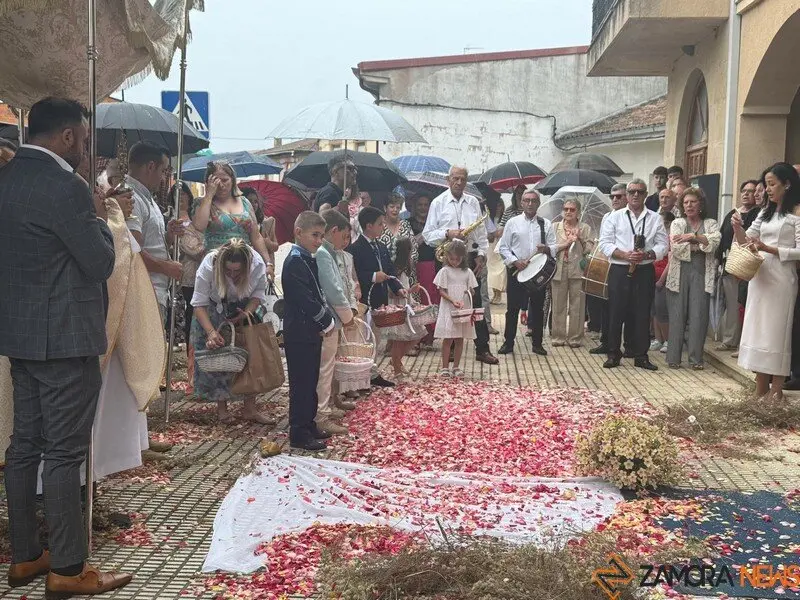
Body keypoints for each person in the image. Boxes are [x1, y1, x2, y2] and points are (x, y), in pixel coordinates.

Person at [0, 96, 131, 595]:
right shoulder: (66, 187)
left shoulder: (6, 179)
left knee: (24, 446)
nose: (87, 146)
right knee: (62, 454)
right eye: (86, 137)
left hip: (20, 335)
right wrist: (99, 217)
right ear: (69, 136)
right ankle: (69, 570)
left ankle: (26, 557)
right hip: (66, 340)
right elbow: (99, 262)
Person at [733, 162, 800, 401]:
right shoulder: (765, 212)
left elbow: (799, 251)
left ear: (787, 184)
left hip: (782, 276)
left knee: (776, 331)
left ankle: (776, 389)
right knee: (756, 329)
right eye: (766, 185)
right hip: (760, 276)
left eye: (772, 184)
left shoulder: (797, 212)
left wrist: (769, 248)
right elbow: (747, 241)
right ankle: (759, 387)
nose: (767, 190)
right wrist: (738, 227)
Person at [190, 239, 273, 425]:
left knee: (250, 358)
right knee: (220, 356)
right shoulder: (209, 264)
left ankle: (250, 408)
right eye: (228, 271)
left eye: (237, 271)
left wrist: (247, 314)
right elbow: (198, 303)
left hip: (242, 308)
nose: (233, 274)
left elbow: (257, 295)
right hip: (214, 309)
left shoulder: (257, 264)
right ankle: (222, 408)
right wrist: (211, 332)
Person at [423, 166, 499, 365]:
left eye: (462, 179)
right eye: (455, 179)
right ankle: (451, 348)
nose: (459, 183)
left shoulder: (474, 202)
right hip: (446, 257)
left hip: (470, 256)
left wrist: (482, 255)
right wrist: (448, 233)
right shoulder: (438, 202)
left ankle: (482, 348)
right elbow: (427, 235)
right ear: (448, 180)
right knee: (449, 303)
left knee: (475, 303)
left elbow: (481, 235)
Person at [598, 178, 669, 370]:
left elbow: (664, 244)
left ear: (646, 194)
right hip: (620, 269)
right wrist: (624, 254)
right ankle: (613, 354)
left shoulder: (655, 218)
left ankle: (641, 355)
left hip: (644, 269)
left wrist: (647, 254)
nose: (635, 195)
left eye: (640, 191)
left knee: (642, 313)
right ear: (627, 195)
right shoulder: (614, 217)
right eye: (632, 192)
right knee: (615, 312)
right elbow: (604, 243)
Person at [282, 211, 336, 450]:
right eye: (314, 235)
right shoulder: (294, 260)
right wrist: (326, 320)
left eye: (322, 236)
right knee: (301, 382)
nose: (318, 241)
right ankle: (298, 431)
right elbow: (304, 298)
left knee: (311, 379)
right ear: (298, 232)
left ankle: (309, 421)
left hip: (309, 330)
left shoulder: (306, 257)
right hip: (299, 331)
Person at [126, 142, 184, 325]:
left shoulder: (147, 197)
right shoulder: (130, 198)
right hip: (143, 292)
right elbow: (131, 251)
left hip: (155, 291)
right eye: (163, 171)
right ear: (151, 167)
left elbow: (151, 243)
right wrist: (166, 267)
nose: (162, 178)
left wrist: (169, 235)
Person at [348, 206, 405, 386]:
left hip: (380, 300)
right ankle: (362, 376)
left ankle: (372, 373)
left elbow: (388, 271)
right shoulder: (355, 248)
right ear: (368, 226)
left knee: (376, 338)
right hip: (364, 300)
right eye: (380, 224)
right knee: (363, 338)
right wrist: (373, 276)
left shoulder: (381, 246)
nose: (383, 227)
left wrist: (397, 288)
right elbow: (354, 273)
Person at [497, 189, 558, 356]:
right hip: (517, 271)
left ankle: (537, 344)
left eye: (533, 200)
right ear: (521, 203)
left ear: (538, 203)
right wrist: (515, 262)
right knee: (513, 309)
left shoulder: (545, 224)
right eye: (527, 200)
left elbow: (554, 247)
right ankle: (508, 343)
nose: (530, 203)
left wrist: (546, 248)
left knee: (538, 309)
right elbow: (503, 247)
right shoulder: (512, 222)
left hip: (537, 273)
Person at [665, 188, 721, 369]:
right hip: (679, 272)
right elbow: (677, 249)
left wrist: (693, 237)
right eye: (686, 202)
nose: (689, 205)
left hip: (702, 273)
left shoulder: (711, 222)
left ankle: (696, 360)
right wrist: (700, 243)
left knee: (699, 315)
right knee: (677, 315)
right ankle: (673, 358)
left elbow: (715, 243)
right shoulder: (678, 223)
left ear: (701, 204)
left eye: (693, 202)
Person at [315, 210, 357, 435]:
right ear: (334, 231)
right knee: (325, 369)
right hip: (328, 319)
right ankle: (321, 416)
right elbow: (333, 290)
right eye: (344, 236)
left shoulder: (333, 252)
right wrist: (348, 316)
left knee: (328, 367)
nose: (346, 241)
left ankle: (327, 407)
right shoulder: (323, 253)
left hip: (333, 318)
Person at [192, 162, 274, 275]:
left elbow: (256, 236)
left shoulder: (245, 202)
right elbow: (199, 226)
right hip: (216, 266)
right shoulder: (203, 203)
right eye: (216, 181)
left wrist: (268, 263)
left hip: (244, 265)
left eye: (225, 180)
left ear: (233, 180)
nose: (221, 185)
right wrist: (209, 195)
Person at [715, 180, 759, 352]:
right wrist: (719, 260)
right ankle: (729, 339)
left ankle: (743, 343)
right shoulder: (732, 213)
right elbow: (722, 237)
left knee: (744, 304)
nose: (747, 194)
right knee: (732, 303)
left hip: (748, 266)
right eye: (744, 190)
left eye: (751, 191)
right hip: (730, 264)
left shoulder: (758, 214)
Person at [589, 183, 629, 355]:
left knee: (626, 308)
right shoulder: (607, 216)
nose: (615, 199)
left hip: (626, 265)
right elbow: (603, 241)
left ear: (627, 197)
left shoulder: (631, 216)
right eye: (612, 196)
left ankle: (628, 345)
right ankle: (606, 342)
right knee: (605, 306)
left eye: (619, 196)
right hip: (607, 265)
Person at [551, 199, 593, 347]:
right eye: (566, 209)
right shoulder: (555, 226)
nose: (568, 212)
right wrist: (566, 243)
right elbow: (551, 248)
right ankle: (558, 336)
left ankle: (575, 338)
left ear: (578, 212)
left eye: (572, 209)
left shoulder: (585, 228)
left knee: (577, 304)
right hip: (559, 267)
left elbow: (589, 250)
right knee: (558, 304)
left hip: (577, 269)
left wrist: (580, 238)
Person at [433, 240, 478, 377]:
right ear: (447, 257)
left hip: (463, 307)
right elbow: (441, 291)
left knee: (459, 338)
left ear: (463, 257)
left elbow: (472, 290)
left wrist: (468, 294)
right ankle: (445, 367)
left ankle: (456, 366)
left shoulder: (467, 271)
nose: (454, 261)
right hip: (449, 307)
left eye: (457, 259)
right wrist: (453, 301)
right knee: (448, 338)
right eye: (451, 258)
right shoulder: (444, 271)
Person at [385, 237, 425, 379]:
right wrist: (411, 291)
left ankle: (396, 361)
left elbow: (405, 291)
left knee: (416, 335)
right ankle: (396, 367)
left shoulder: (403, 271)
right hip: (397, 309)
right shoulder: (396, 271)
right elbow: (392, 292)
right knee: (399, 340)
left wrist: (412, 301)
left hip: (406, 307)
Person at [409, 194, 438, 349]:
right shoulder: (408, 223)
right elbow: (409, 243)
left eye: (426, 205)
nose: (423, 208)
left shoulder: (434, 223)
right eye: (420, 204)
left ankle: (430, 334)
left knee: (430, 298)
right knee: (416, 300)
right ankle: (415, 336)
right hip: (413, 266)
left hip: (430, 264)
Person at [652, 212, 675, 353]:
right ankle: (658, 339)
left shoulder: (671, 238)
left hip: (664, 278)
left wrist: (662, 279)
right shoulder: (657, 237)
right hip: (653, 277)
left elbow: (671, 261)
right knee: (654, 310)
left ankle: (667, 340)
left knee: (662, 310)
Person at [487, 195, 507, 305]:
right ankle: (494, 294)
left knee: (499, 272)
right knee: (491, 272)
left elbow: (501, 233)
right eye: (497, 205)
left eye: (500, 205)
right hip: (491, 247)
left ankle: (499, 295)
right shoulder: (490, 218)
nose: (498, 207)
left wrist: (495, 234)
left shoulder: (504, 218)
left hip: (500, 247)